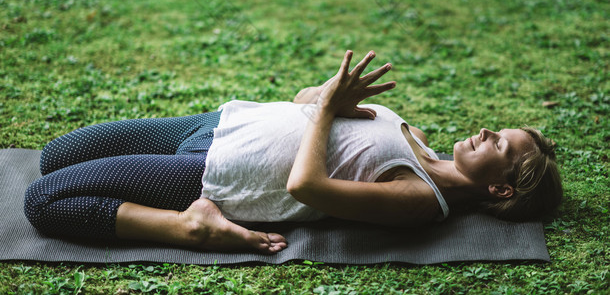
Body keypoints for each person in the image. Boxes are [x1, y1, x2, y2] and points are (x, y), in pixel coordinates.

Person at [24, 50, 562, 255]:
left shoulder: (420, 198)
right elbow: (306, 105)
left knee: (43, 200)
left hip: (214, 174)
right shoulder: (414, 136)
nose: (487, 130)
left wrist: (328, 111)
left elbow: (305, 187)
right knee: (55, 155)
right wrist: (325, 94)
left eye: (500, 144)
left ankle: (189, 227)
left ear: (501, 188)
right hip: (219, 125)